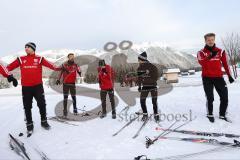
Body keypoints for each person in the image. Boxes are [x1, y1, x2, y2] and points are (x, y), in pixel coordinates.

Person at [7, 42, 63, 134]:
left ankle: (44, 122)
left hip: (38, 87)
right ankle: (29, 125)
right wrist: (9, 75)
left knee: (42, 104)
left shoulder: (40, 59)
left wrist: (61, 68)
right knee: (27, 107)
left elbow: (52, 66)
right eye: (25, 47)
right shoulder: (21, 59)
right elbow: (8, 68)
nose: (26, 48)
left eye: (28, 47)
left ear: (33, 48)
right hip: (26, 87)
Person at [197, 33, 235, 123]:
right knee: (210, 98)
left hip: (219, 78)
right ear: (205, 41)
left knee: (224, 97)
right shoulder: (201, 52)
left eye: (212, 39)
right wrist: (210, 56)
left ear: (214, 40)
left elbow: (225, 64)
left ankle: (222, 115)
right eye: (208, 40)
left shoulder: (220, 51)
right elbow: (202, 63)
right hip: (207, 78)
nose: (210, 41)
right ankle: (210, 114)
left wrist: (229, 75)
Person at [56, 53, 81, 117]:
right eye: (70, 57)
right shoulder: (64, 65)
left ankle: (75, 110)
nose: (72, 57)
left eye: (73, 56)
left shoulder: (76, 65)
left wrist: (79, 72)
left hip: (72, 84)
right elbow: (60, 72)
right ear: (68, 57)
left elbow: (79, 70)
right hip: (65, 84)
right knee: (65, 98)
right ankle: (65, 112)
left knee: (73, 97)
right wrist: (58, 79)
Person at [137, 51, 159, 122]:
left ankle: (156, 115)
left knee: (154, 101)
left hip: (153, 86)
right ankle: (145, 114)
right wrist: (139, 86)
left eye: (139, 60)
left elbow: (156, 77)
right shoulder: (139, 68)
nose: (138, 61)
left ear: (142, 60)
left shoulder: (152, 67)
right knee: (142, 100)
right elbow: (139, 78)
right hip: (145, 87)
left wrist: (147, 79)